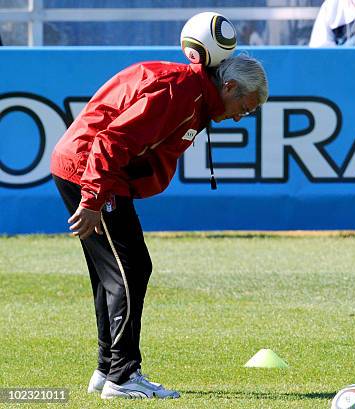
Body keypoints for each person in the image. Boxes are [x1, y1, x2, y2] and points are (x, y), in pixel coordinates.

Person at [50, 54, 268, 399]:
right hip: (92, 172)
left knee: (114, 274)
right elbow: (112, 140)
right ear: (228, 86)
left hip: (91, 169)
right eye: (245, 105)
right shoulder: (180, 91)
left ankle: (107, 369)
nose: (241, 115)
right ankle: (122, 377)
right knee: (131, 270)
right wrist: (92, 197)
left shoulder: (193, 93)